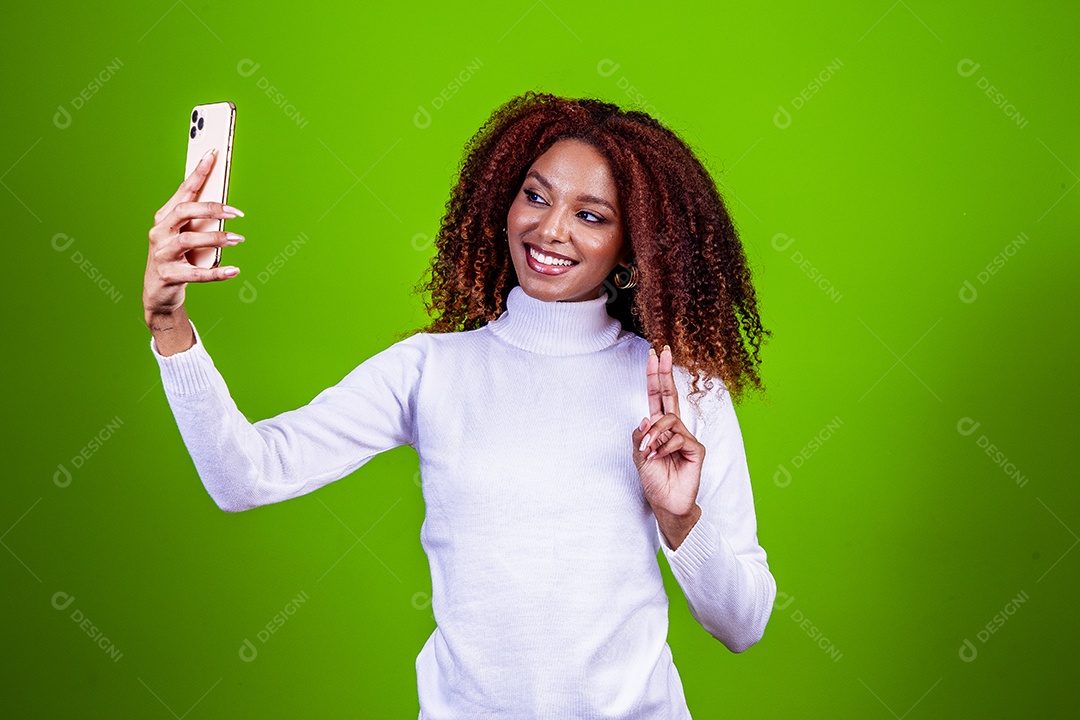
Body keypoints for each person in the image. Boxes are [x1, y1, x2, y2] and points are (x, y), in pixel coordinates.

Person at [143, 91, 776, 719]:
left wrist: (680, 520)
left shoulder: (680, 392)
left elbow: (743, 623)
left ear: (632, 244)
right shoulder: (430, 369)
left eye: (592, 215)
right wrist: (168, 323)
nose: (549, 229)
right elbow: (243, 476)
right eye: (535, 195)